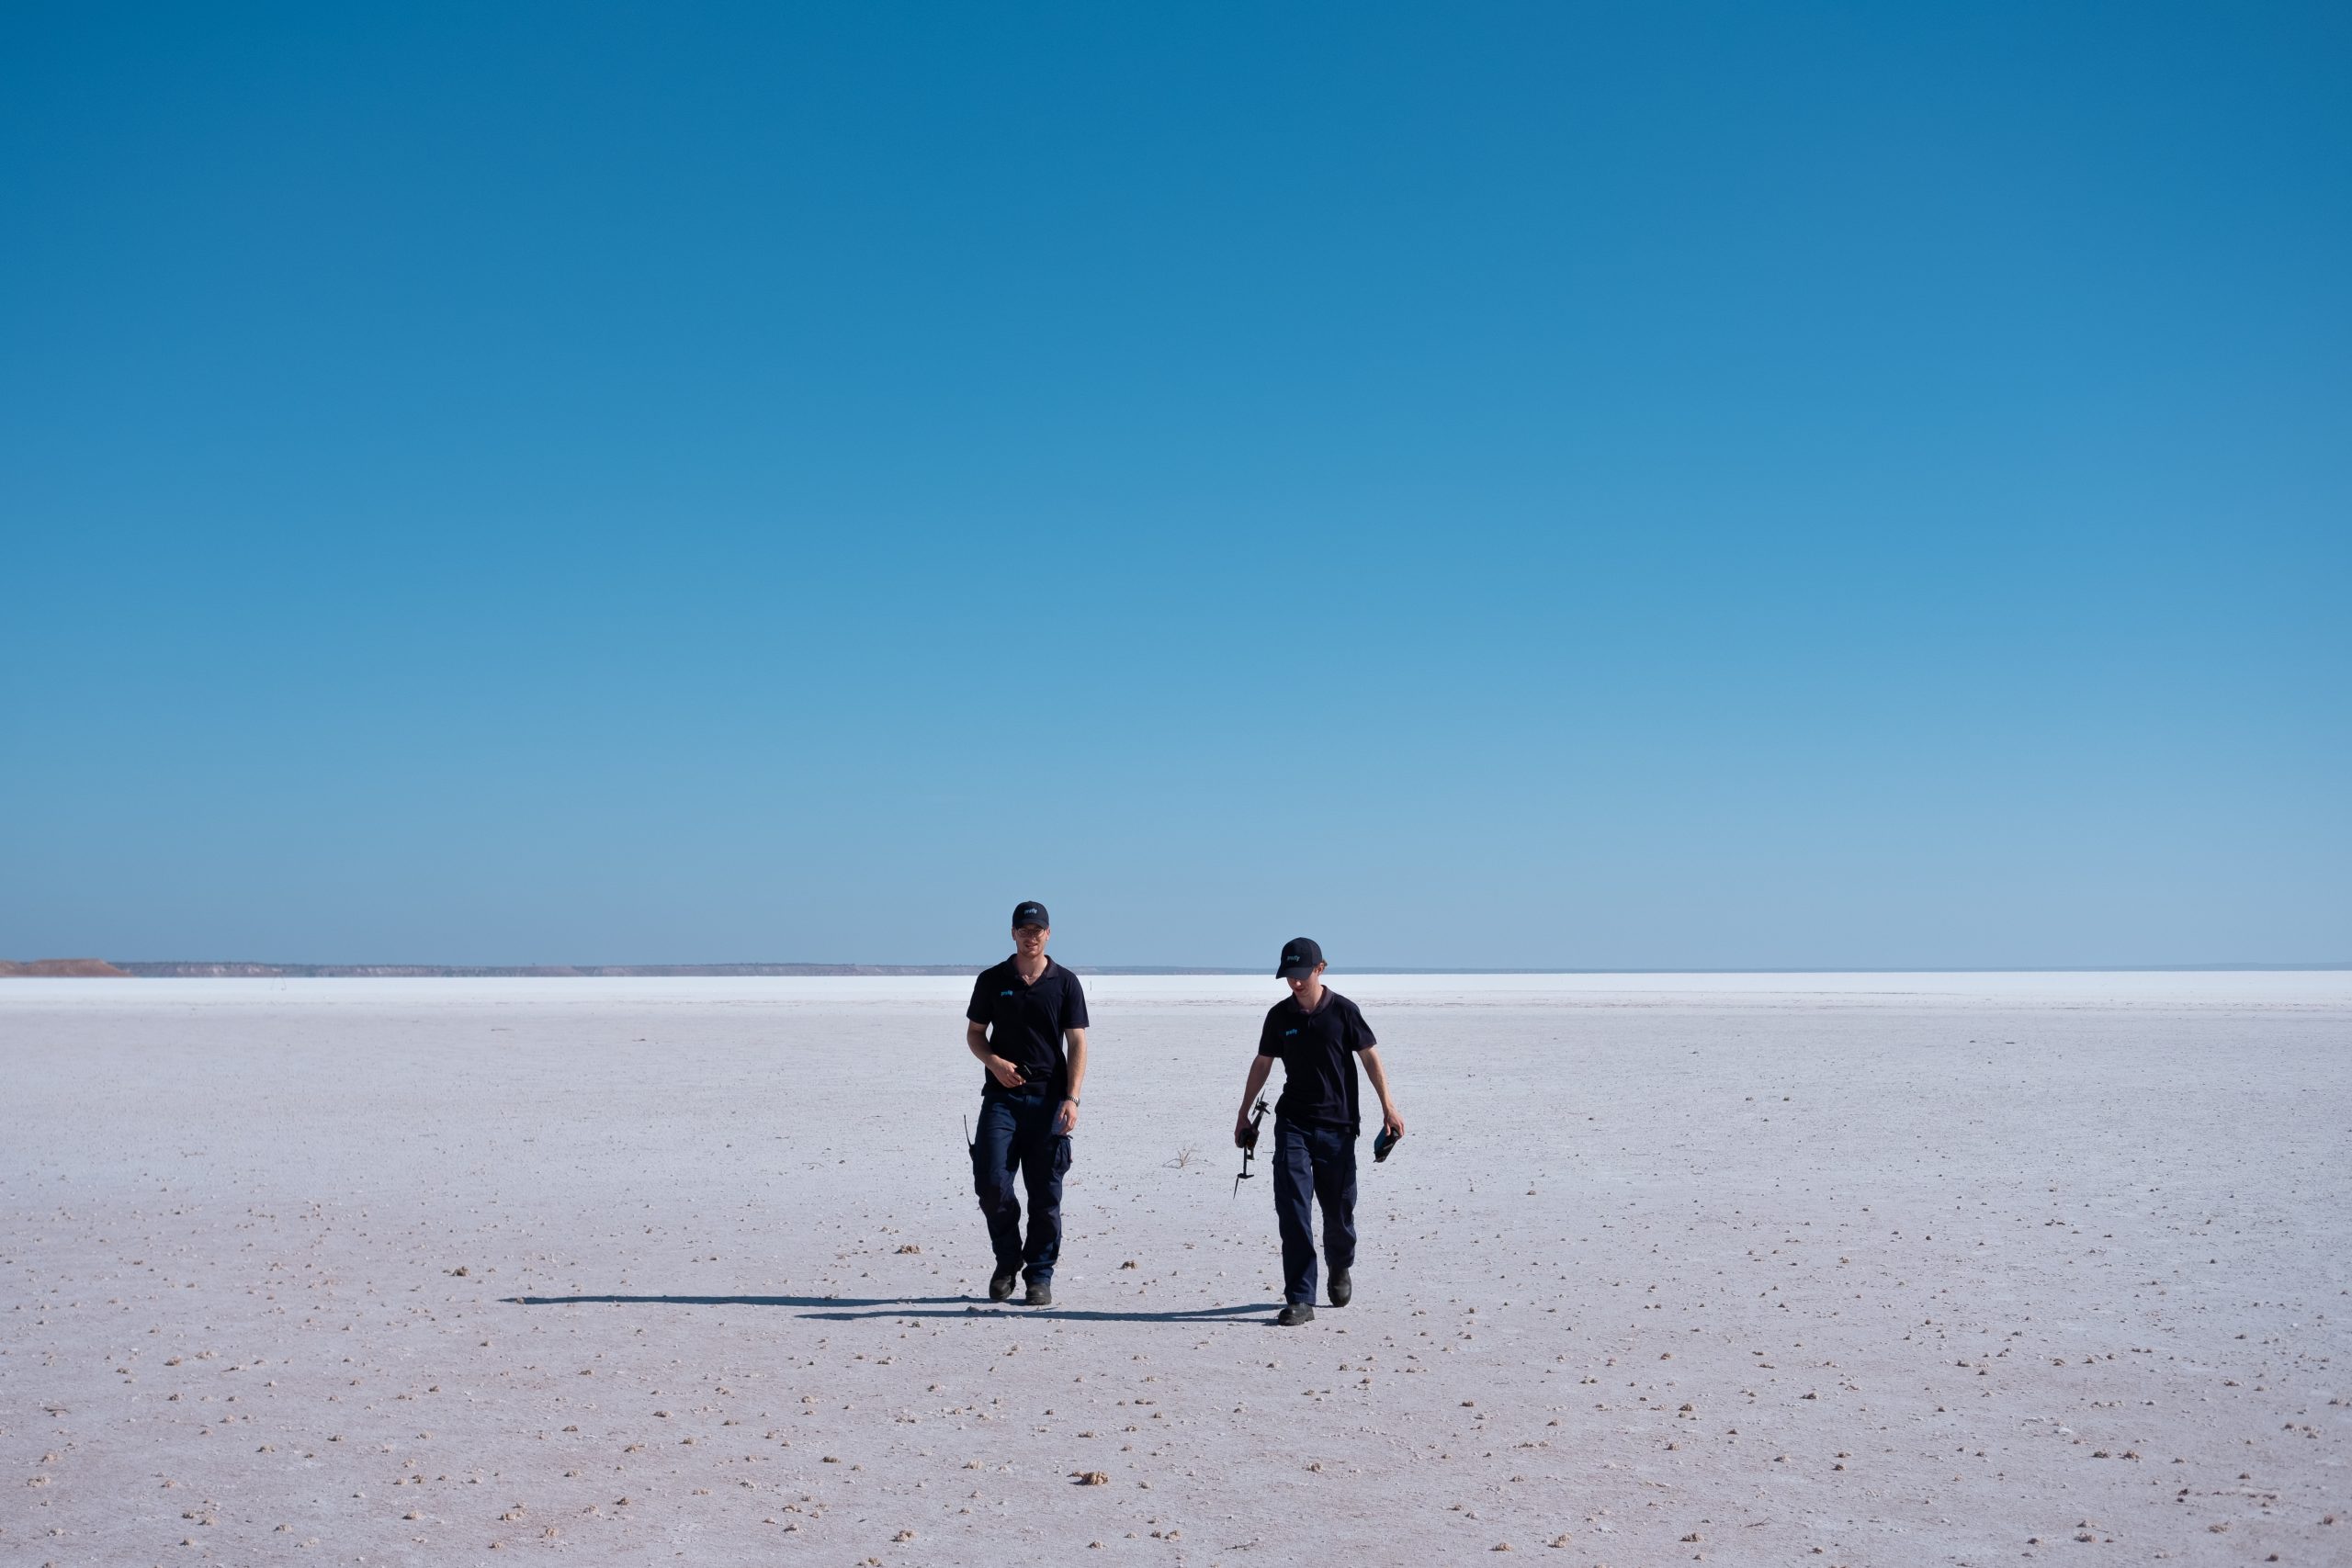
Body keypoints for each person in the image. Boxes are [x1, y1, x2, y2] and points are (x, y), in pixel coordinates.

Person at [1233, 936, 1403, 1325]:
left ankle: (1340, 1264)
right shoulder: (1279, 1017)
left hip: (1339, 1127)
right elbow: (1262, 1064)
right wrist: (1243, 1113)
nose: (1294, 983)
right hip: (1292, 1123)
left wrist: (1388, 1108)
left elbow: (1370, 1058)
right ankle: (1300, 1298)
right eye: (1288, 976)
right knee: (1293, 1209)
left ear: (1320, 969)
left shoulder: (1343, 1011)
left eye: (1300, 974)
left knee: (1339, 1212)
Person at [965, 900, 1090, 1306]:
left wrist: (1072, 1098)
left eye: (1038, 930)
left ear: (1048, 934)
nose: (1030, 936)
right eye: (1024, 929)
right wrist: (995, 1062)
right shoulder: (993, 979)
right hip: (1001, 1099)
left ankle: (1039, 1275)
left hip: (1048, 1101)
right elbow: (975, 1035)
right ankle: (1007, 1261)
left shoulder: (1065, 982)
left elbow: (1077, 1043)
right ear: (1013, 933)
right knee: (990, 1183)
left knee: (1045, 1195)